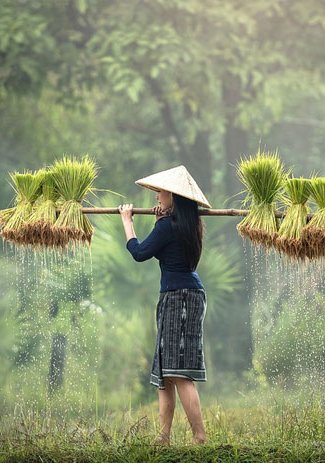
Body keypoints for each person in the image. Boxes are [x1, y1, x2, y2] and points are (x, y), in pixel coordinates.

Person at [117, 165, 211, 446]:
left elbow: (140, 252)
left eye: (160, 192)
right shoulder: (186, 224)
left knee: (178, 372)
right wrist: (161, 221)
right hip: (180, 294)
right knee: (165, 372)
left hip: (180, 297)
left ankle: (199, 436)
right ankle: (163, 437)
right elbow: (165, 242)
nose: (156, 197)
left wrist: (127, 221)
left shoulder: (169, 227)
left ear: (173, 196)